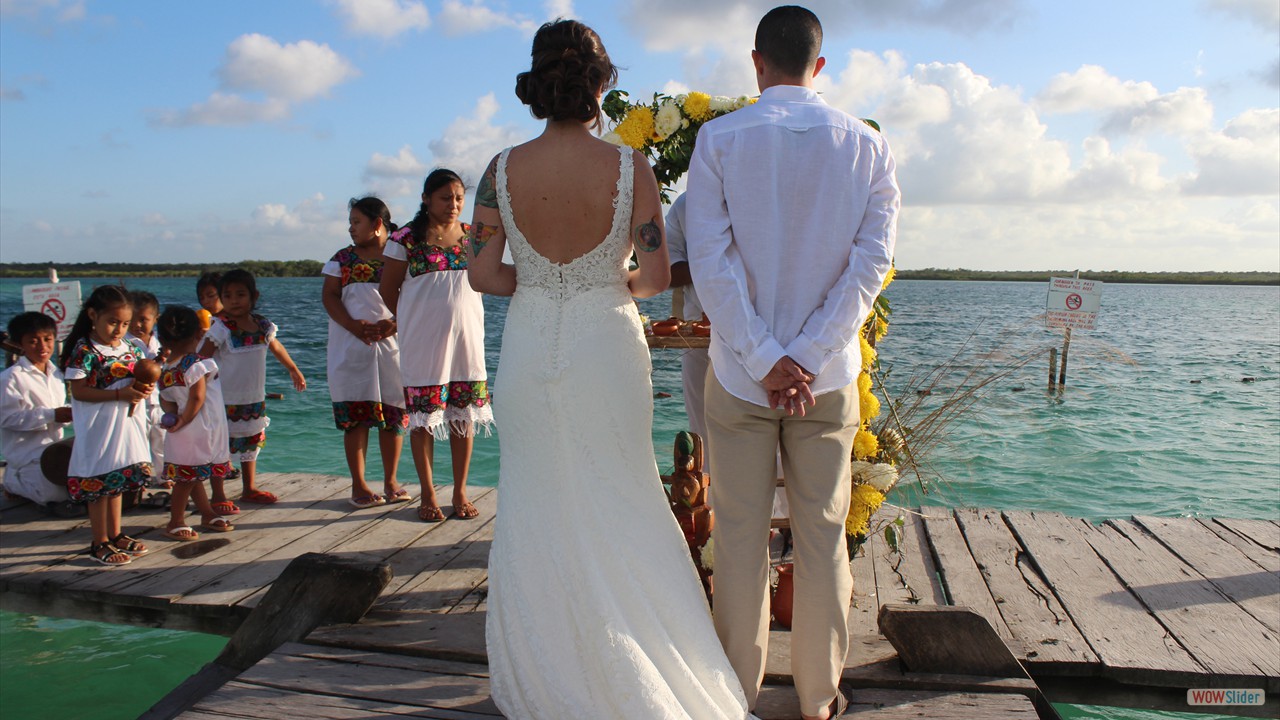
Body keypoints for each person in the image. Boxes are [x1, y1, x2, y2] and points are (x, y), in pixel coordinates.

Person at [467, 19, 753, 719]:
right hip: (606, 342)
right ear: (599, 85)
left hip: (532, 345)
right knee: (622, 490)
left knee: (536, 495)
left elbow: (480, 275)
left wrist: (539, 285)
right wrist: (599, 285)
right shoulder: (630, 170)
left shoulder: (499, 170)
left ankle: (550, 668)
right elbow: (653, 275)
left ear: (537, 83)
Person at [685, 6, 900, 719]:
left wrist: (764, 356)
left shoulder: (718, 139)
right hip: (828, 379)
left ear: (757, 62)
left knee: (740, 541)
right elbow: (870, 269)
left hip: (742, 378)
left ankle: (734, 698)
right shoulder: (866, 147)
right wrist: (807, 355)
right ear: (821, 64)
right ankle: (816, 699)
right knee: (822, 539)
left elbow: (712, 266)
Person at [380, 169, 492, 523]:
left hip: (468, 342)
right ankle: (427, 493)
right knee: (423, 421)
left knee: (463, 419)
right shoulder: (404, 239)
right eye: (446, 198)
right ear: (426, 198)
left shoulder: (473, 235)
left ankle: (460, 490)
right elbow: (388, 290)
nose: (454, 205)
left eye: (459, 198)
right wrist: (412, 321)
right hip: (423, 343)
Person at [323, 196, 411, 509]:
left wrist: (395, 324)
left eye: (356, 222)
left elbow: (415, 296)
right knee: (356, 419)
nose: (350, 228)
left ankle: (391, 481)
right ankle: (359, 485)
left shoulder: (399, 257)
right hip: (351, 348)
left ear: (376, 225)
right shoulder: (342, 259)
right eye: (350, 222)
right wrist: (352, 325)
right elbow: (330, 296)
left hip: (392, 347)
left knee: (393, 416)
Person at [59, 285, 154, 566]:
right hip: (99, 428)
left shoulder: (130, 347)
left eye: (125, 324)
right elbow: (79, 392)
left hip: (125, 428)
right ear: (93, 315)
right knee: (99, 485)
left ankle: (116, 533)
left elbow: (137, 378)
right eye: (113, 322)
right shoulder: (84, 350)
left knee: (117, 483)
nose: (119, 330)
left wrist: (143, 388)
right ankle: (98, 540)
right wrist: (118, 394)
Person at [199, 269, 306, 514]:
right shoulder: (221, 327)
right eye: (227, 295)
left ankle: (249, 488)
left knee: (251, 441)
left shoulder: (262, 325)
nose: (234, 300)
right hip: (224, 398)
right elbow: (202, 356)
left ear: (253, 296)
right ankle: (218, 494)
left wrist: (293, 369)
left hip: (253, 396)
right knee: (221, 447)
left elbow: (276, 346)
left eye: (240, 294)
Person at [155, 305, 235, 539]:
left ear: (162, 338)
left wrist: (175, 419)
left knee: (192, 475)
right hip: (200, 428)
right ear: (199, 335)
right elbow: (198, 396)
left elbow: (165, 400)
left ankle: (207, 513)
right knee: (186, 480)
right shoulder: (198, 363)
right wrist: (184, 421)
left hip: (182, 429)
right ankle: (175, 521)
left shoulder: (166, 370)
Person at [0, 311, 79, 516]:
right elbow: (6, 418)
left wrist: (68, 414)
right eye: (33, 341)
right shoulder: (10, 378)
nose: (43, 347)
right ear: (20, 344)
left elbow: (59, 410)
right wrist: (51, 415)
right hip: (26, 455)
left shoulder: (56, 374)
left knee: (85, 487)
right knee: (54, 495)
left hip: (55, 452)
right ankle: (13, 479)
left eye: (47, 339)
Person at [127, 289, 167, 481]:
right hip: (136, 402)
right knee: (137, 441)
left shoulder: (160, 341)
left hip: (159, 400)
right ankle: (140, 478)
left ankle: (164, 475)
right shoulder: (125, 343)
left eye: (143, 319)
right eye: (133, 319)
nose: (137, 324)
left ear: (155, 319)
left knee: (162, 440)